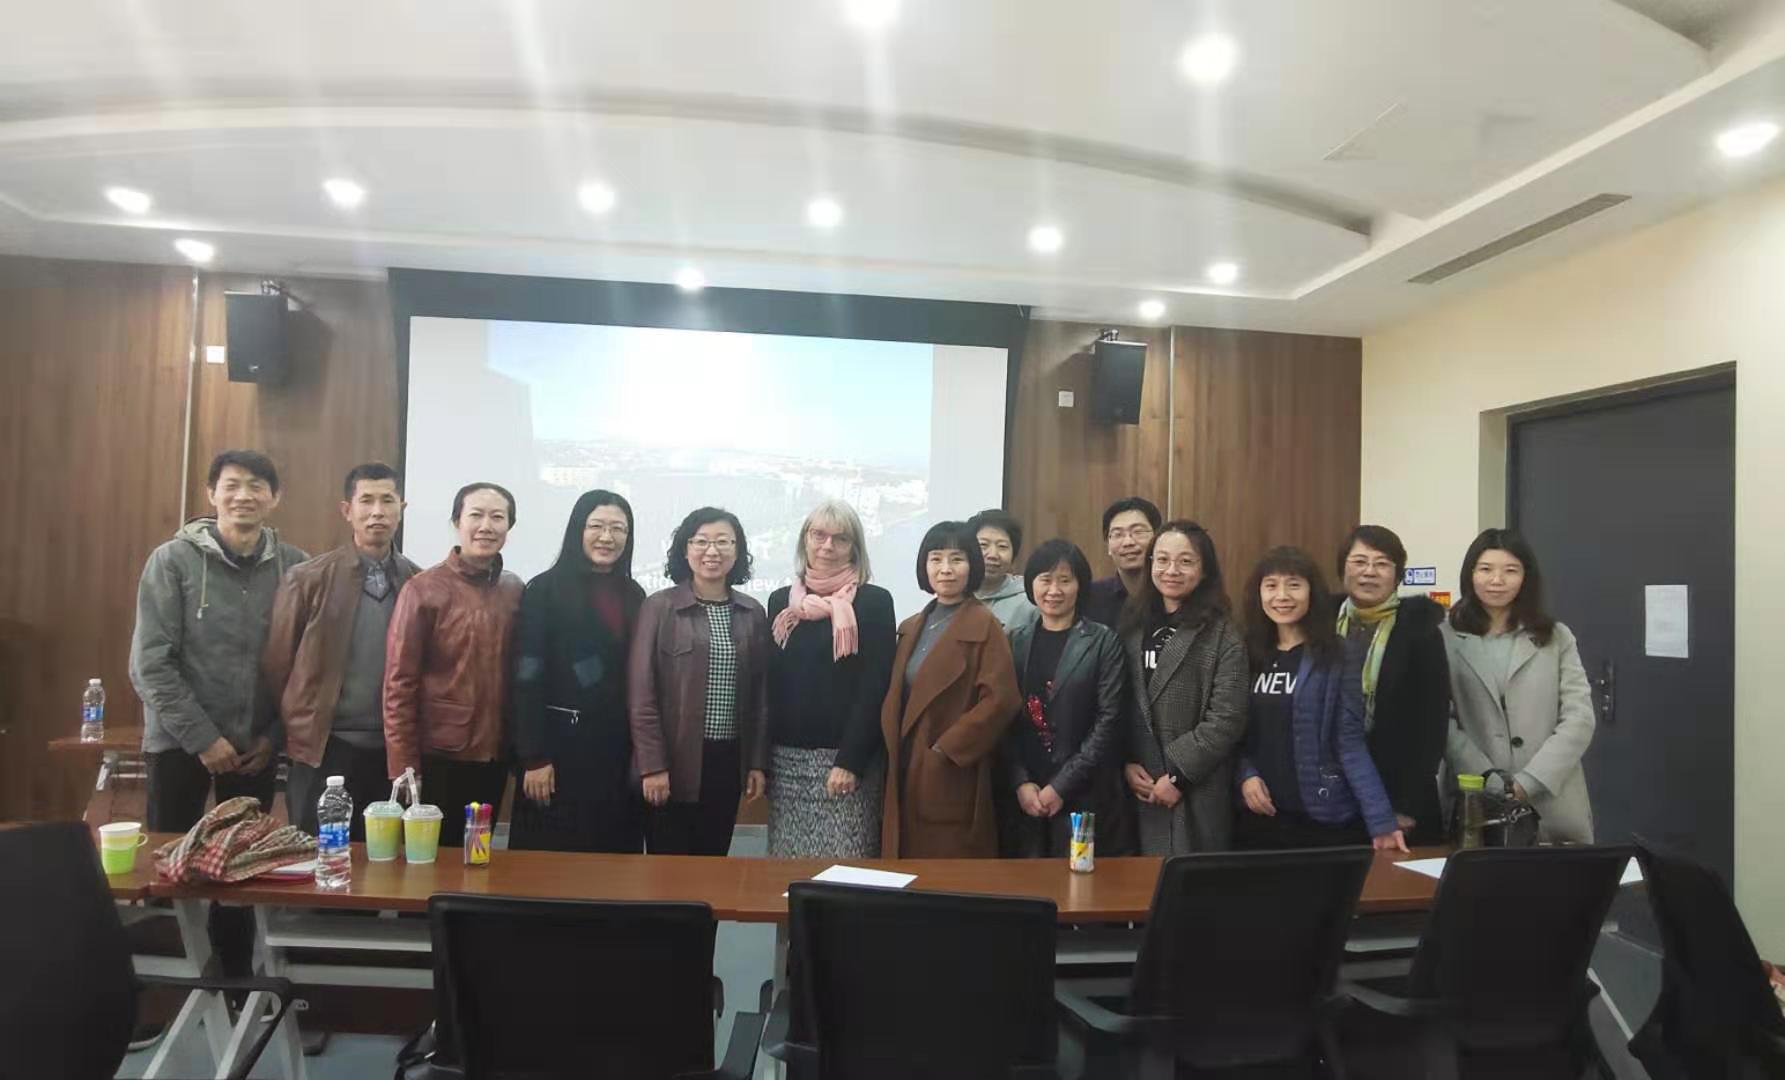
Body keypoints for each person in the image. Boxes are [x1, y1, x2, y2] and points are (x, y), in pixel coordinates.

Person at [129, 449, 306, 985]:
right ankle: (165, 992)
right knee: (169, 869)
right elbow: (150, 664)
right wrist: (203, 738)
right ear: (211, 494)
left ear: (275, 497)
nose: (243, 496)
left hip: (254, 746)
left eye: (256, 486)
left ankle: (233, 982)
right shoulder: (172, 561)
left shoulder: (296, 566)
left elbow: (306, 667)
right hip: (180, 742)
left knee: (241, 873)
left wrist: (273, 736)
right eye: (231, 485)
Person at [263, 462, 419, 838]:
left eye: (388, 500)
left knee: (382, 859)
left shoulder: (418, 582)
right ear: (347, 510)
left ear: (401, 509)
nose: (377, 511)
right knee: (317, 855)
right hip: (324, 748)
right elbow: (278, 666)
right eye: (367, 501)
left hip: (392, 751)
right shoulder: (308, 578)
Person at [1234, 547, 1407, 852]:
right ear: (1258, 594)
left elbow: (1350, 742)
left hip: (1321, 815)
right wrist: (1245, 775)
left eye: (1294, 585)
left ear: (1312, 592)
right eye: (1271, 585)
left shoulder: (1339, 654)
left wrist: (1381, 820)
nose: (1282, 596)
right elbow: (1233, 731)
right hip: (1257, 814)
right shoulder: (1244, 652)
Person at [383, 482, 523, 847]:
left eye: (497, 517)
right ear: (457, 522)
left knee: (477, 854)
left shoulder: (514, 590)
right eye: (476, 515)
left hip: (495, 753)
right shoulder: (422, 589)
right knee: (431, 858)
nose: (486, 526)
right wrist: (403, 764)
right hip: (438, 755)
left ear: (509, 526)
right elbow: (399, 684)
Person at [509, 491, 648, 853]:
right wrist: (534, 756)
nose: (607, 537)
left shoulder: (634, 594)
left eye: (618, 528)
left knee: (614, 858)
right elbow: (527, 677)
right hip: (559, 750)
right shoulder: (545, 589)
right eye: (596, 526)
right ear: (577, 530)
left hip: (616, 751)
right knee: (553, 862)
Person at [629, 508, 770, 856]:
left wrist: (756, 762)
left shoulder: (753, 613)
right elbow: (641, 694)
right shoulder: (659, 607)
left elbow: (760, 698)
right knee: (667, 866)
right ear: (685, 548)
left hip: (727, 761)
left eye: (723, 542)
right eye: (701, 541)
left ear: (737, 551)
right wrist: (652, 766)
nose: (712, 551)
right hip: (673, 759)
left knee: (713, 861)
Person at [1442, 528, 1595, 844]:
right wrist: (1487, 779)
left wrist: (1530, 781)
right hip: (1475, 799)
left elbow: (1579, 717)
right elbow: (1441, 720)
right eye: (1486, 569)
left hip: (1552, 798)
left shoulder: (1556, 637)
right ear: (1470, 574)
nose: (1497, 580)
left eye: (1510, 570)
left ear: (1526, 577)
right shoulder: (1444, 636)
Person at [880, 521, 1022, 858]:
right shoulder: (911, 626)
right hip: (903, 765)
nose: (945, 569)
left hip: (952, 770)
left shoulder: (984, 624)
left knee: (944, 869)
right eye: (936, 558)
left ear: (972, 566)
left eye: (957, 559)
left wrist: (946, 749)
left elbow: (1001, 700)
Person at [765, 501, 896, 858]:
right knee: (786, 873)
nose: (827, 546)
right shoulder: (781, 602)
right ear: (804, 540)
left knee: (845, 871)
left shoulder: (873, 602)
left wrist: (850, 760)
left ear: (855, 547)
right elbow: (773, 683)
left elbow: (875, 688)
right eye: (818, 535)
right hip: (786, 762)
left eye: (840, 539)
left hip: (844, 764)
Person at [1119, 520, 1248, 855]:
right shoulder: (1133, 624)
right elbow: (1119, 703)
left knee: (1189, 881)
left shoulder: (1223, 633)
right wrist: (1125, 761)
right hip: (1138, 787)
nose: (1171, 570)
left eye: (1185, 561)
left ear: (1204, 571)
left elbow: (1227, 719)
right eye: (1162, 560)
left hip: (1196, 788)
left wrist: (1178, 776)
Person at [1001, 539, 1131, 858]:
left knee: (1081, 880)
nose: (1054, 590)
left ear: (1080, 585)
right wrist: (1020, 782)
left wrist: (1061, 785)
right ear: (1031, 584)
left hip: (1086, 791)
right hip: (1028, 794)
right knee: (1027, 882)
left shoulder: (1103, 642)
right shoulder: (1015, 641)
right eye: (1045, 580)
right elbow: (1004, 718)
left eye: (1065, 580)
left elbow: (1109, 720)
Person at [1336, 525, 1451, 845]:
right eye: (1359, 561)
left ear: (1397, 574)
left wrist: (1406, 805)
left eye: (1382, 563)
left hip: (1398, 792)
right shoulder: (1322, 623)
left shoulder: (1421, 631)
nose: (1369, 572)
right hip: (1334, 791)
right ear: (1342, 567)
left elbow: (1433, 725)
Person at [1084, 496, 1162, 629]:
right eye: (1117, 534)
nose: (1128, 542)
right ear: (1108, 546)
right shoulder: (1090, 597)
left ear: (1158, 538)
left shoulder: (1171, 591)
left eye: (1138, 532)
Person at [969, 508, 1039, 632]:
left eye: (1002, 546)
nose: (992, 555)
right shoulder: (954, 596)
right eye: (983, 545)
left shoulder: (1030, 601)